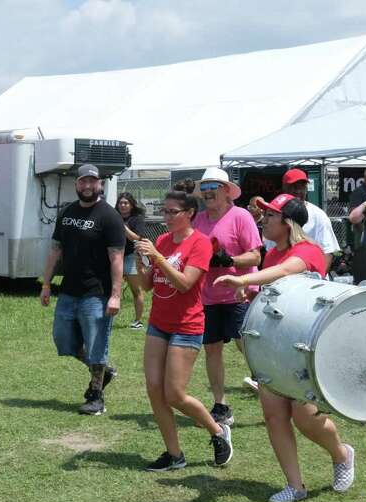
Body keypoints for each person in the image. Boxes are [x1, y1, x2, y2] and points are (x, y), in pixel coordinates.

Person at [215, 194, 354, 502]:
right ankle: (295, 485)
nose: (263, 220)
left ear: (288, 222)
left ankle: (342, 454)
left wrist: (245, 279)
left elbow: (287, 272)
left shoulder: (307, 251)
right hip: (273, 344)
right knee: (274, 415)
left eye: (270, 216)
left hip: (303, 347)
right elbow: (274, 294)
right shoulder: (270, 254)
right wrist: (251, 294)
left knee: (305, 418)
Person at [132, 190, 232, 471]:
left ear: (189, 213)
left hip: (186, 326)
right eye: (163, 211)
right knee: (154, 389)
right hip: (159, 323)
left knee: (175, 394)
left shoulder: (200, 243)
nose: (165, 217)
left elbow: (185, 283)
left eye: (171, 212)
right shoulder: (162, 241)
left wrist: (158, 258)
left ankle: (217, 431)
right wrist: (143, 261)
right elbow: (148, 285)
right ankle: (174, 454)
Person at [40, 163, 124, 415]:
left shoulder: (109, 216)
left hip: (96, 294)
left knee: (97, 344)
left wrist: (116, 295)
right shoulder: (67, 212)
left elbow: (117, 258)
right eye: (83, 182)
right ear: (76, 184)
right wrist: (46, 284)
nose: (87, 186)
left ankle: (96, 395)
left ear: (100, 184)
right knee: (63, 340)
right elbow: (55, 249)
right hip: (68, 291)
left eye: (92, 182)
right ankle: (104, 370)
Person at [192, 167, 263, 426]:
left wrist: (229, 260)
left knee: (245, 343)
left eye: (214, 188)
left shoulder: (240, 216)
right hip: (208, 295)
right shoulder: (198, 220)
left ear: (225, 191)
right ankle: (220, 405)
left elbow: (255, 256)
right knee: (211, 349)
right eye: (205, 189)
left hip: (238, 292)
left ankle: (274, 389)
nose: (208, 193)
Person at [280, 168, 340, 269]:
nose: (298, 191)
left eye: (302, 187)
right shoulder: (277, 213)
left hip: (311, 278)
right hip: (282, 277)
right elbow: (272, 249)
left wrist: (319, 278)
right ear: (284, 188)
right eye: (294, 187)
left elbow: (327, 252)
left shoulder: (318, 215)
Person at [116, 191, 148, 329]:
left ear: (131, 205)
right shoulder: (112, 216)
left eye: (126, 203)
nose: (123, 205)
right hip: (114, 256)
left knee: (136, 290)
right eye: (120, 203)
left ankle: (138, 321)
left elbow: (137, 238)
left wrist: (122, 226)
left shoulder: (137, 219)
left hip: (131, 257)